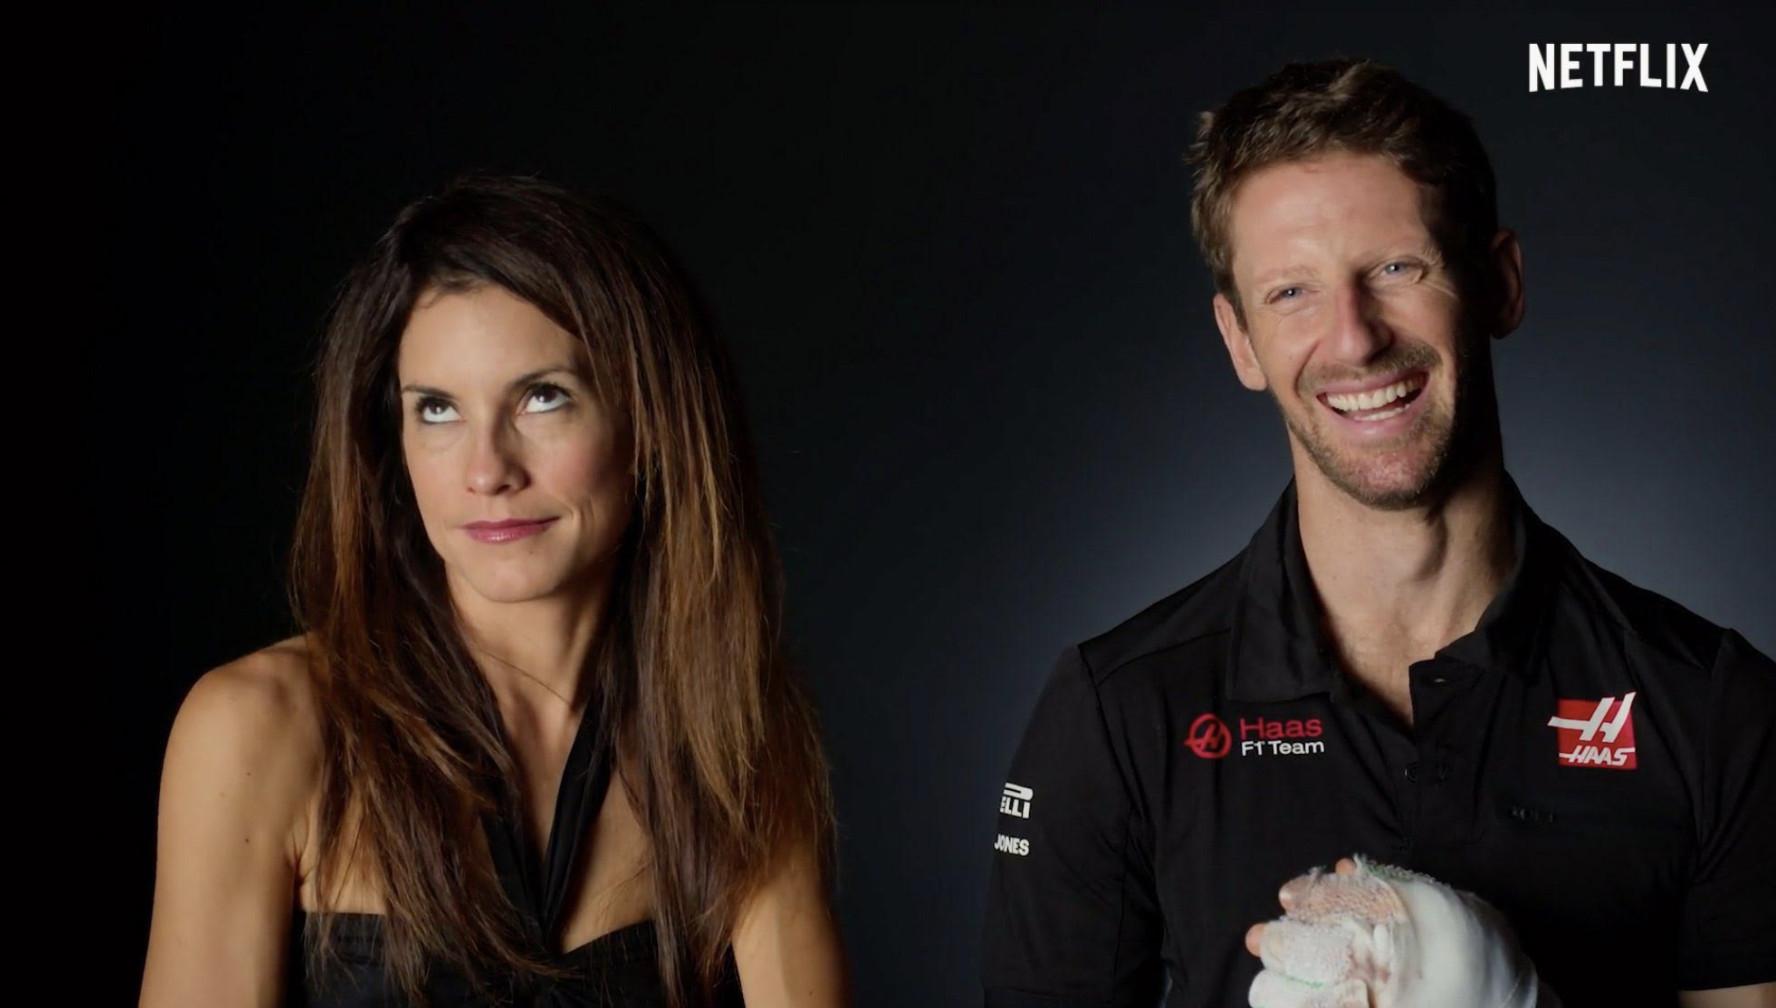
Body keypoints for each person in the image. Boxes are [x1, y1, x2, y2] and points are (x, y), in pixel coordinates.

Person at [982, 58, 1775, 1006]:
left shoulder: (1712, 709)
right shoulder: (1120, 712)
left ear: (1500, 284)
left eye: (1397, 269)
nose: (1355, 338)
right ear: (1239, 341)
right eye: (1292, 292)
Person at [140, 175, 848, 1007]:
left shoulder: (733, 737)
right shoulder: (257, 728)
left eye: (543, 398)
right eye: (437, 410)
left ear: (650, 422)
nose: (487, 471)